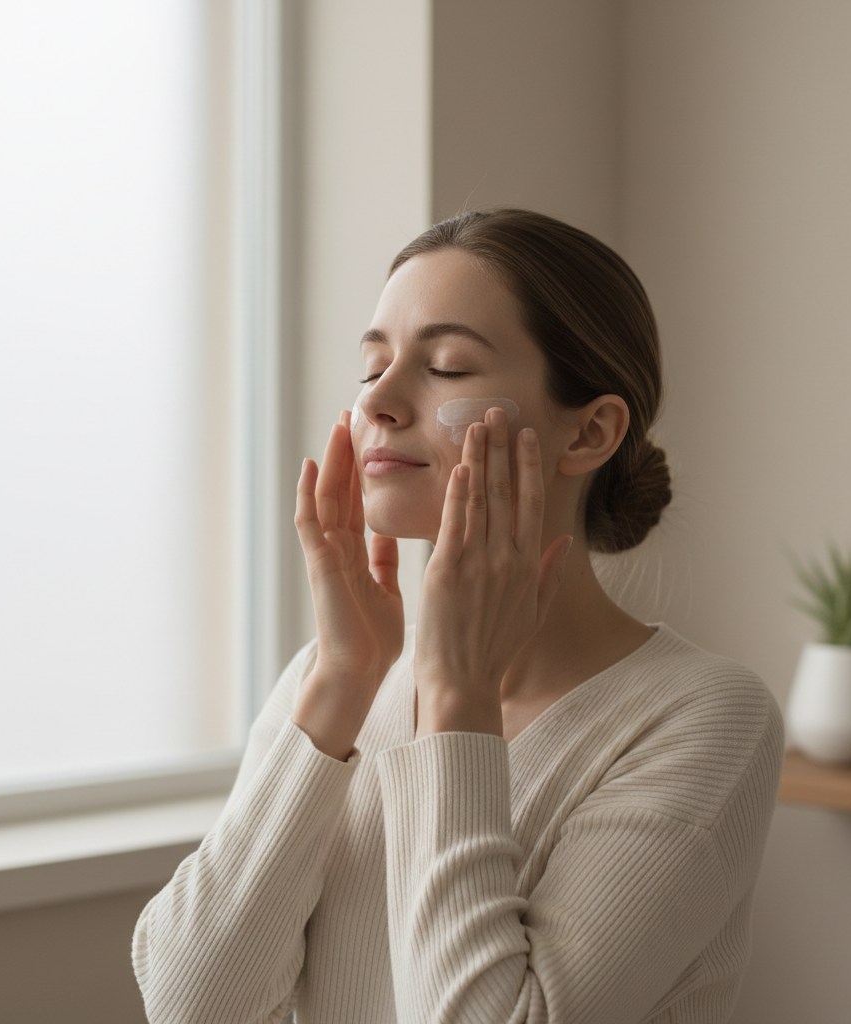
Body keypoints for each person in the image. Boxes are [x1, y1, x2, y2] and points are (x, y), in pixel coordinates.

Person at [133, 209, 783, 1024]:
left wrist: (456, 700)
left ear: (589, 431)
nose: (382, 401)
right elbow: (190, 1007)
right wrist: (340, 683)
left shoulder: (704, 717)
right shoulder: (336, 675)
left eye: (444, 366)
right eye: (372, 366)